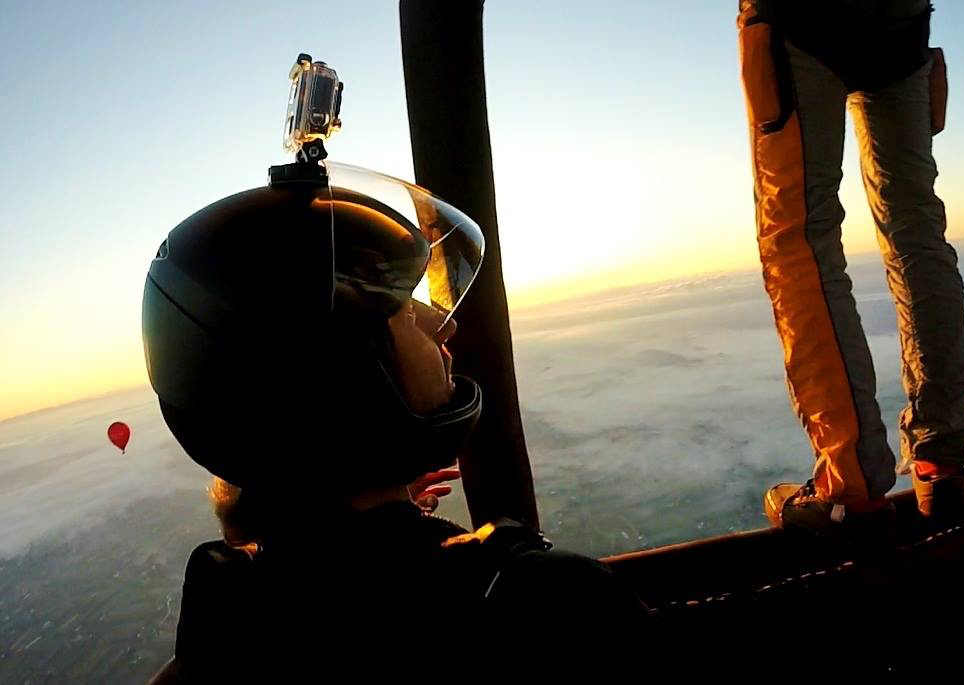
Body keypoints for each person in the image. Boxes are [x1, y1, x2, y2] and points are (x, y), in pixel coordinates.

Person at [141, 159, 652, 682]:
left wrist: (372, 509)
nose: (443, 325)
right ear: (343, 378)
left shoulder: (225, 620)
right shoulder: (551, 607)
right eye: (405, 311)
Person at [736, 0, 964, 539]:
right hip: (900, 25)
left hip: (798, 18)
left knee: (798, 236)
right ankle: (942, 460)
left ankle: (852, 483)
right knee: (917, 231)